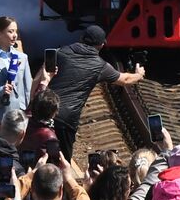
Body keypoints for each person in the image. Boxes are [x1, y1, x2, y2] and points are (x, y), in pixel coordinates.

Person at [47, 26, 143, 156]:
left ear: (81, 38)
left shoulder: (62, 51)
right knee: (62, 160)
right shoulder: (100, 65)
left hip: (44, 109)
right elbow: (125, 79)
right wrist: (139, 75)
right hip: (65, 118)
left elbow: (43, 75)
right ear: (101, 45)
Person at [0, 17, 45, 137]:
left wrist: (23, 108)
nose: (14, 35)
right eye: (10, 31)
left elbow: (27, 87)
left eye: (16, 31)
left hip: (17, 115)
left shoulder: (22, 57)